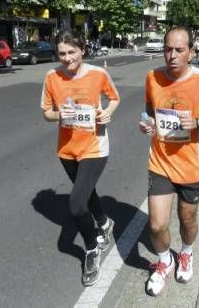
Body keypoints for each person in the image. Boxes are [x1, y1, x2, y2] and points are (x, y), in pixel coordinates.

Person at [138, 26, 199, 296]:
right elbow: (149, 111)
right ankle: (164, 261)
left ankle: (186, 253)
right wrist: (147, 124)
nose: (172, 55)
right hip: (161, 162)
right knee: (156, 224)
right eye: (168, 49)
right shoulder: (152, 77)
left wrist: (197, 122)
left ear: (190, 51)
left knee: (187, 219)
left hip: (191, 166)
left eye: (179, 49)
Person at [40, 30, 120, 286]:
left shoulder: (98, 75)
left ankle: (91, 248)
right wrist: (59, 115)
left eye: (71, 52)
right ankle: (105, 223)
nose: (66, 58)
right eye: (61, 53)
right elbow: (46, 113)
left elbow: (114, 98)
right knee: (86, 192)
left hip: (95, 146)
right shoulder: (52, 77)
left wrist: (107, 112)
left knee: (76, 203)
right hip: (67, 149)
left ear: (82, 50)